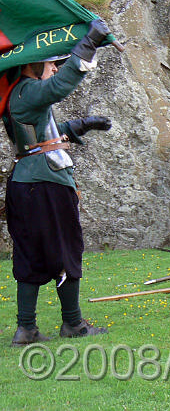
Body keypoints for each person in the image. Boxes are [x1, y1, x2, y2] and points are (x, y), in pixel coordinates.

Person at [3, 19, 113, 345]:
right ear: (35, 64)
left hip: (29, 185)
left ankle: (27, 329)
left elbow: (39, 135)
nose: (54, 68)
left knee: (31, 255)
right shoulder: (28, 92)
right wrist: (88, 44)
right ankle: (73, 324)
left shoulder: (20, 95)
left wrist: (80, 125)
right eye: (51, 62)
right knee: (66, 250)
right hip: (45, 185)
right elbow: (58, 87)